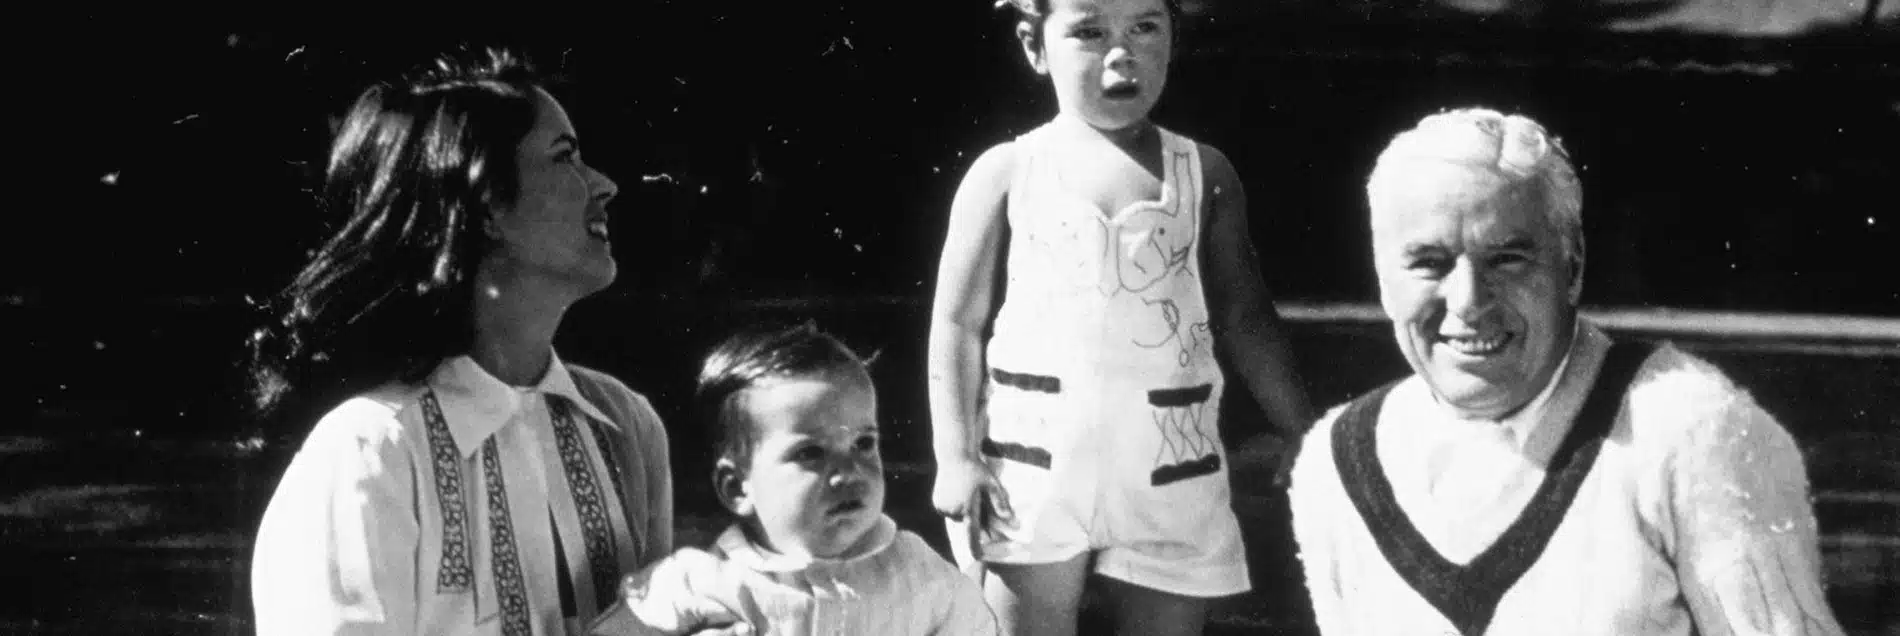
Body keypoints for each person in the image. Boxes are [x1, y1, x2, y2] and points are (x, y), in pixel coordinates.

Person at [1287, 107, 1847, 636]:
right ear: (1384, 280)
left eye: (1507, 259)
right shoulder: (1333, 460)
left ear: (1571, 267)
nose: (1468, 301)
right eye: (1428, 264)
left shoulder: (1689, 429)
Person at [246, 47, 730, 635]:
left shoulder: (625, 423)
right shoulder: (370, 449)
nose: (603, 185)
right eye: (565, 158)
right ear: (485, 206)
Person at [926, 0, 1317, 633]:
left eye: (1144, 27)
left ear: (1174, 37)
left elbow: (1245, 315)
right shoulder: (1007, 171)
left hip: (1168, 459)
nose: (1120, 53)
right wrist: (955, 456)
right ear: (1033, 45)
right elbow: (956, 323)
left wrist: (1301, 427)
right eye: (1089, 31)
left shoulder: (1204, 172)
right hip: (1036, 464)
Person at [588, 322, 998, 635]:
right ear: (737, 487)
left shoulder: (916, 571)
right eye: (810, 453)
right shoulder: (703, 580)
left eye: (863, 443)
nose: (849, 471)